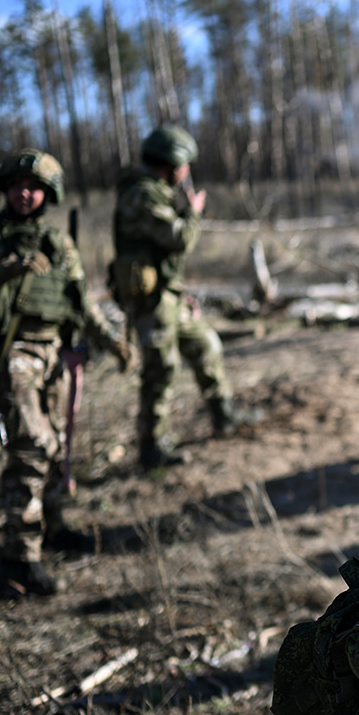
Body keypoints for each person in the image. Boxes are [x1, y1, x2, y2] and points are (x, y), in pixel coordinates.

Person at [0, 149, 132, 595]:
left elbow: (80, 302)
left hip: (56, 354)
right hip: (13, 352)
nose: (26, 193)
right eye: (19, 185)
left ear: (49, 194)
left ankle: (53, 525)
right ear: (5, 188)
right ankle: (19, 558)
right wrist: (3, 269)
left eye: (36, 187)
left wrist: (112, 340)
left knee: (58, 444)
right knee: (30, 446)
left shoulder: (58, 243)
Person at [111, 124, 257, 469]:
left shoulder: (154, 191)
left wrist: (180, 292)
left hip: (168, 295)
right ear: (172, 164)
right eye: (185, 165)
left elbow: (162, 254)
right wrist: (193, 211)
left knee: (205, 344)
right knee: (161, 369)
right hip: (151, 302)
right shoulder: (143, 195)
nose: (188, 172)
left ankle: (224, 414)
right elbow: (179, 238)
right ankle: (152, 446)